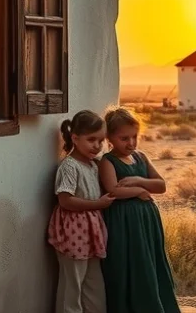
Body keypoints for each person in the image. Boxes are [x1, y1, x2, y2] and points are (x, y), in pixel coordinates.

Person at [98, 107, 181, 313]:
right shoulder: (108, 161)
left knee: (150, 261)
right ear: (109, 137)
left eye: (135, 137)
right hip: (123, 223)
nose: (131, 143)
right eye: (124, 138)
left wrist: (139, 181)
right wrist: (138, 191)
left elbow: (161, 186)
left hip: (147, 221)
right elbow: (113, 190)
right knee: (131, 263)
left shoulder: (141, 157)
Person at [48, 110, 115, 313]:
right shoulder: (69, 166)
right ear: (75, 138)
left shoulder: (94, 165)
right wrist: (98, 204)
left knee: (94, 287)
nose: (97, 145)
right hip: (73, 234)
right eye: (91, 139)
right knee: (73, 287)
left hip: (91, 235)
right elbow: (65, 200)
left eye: (101, 140)